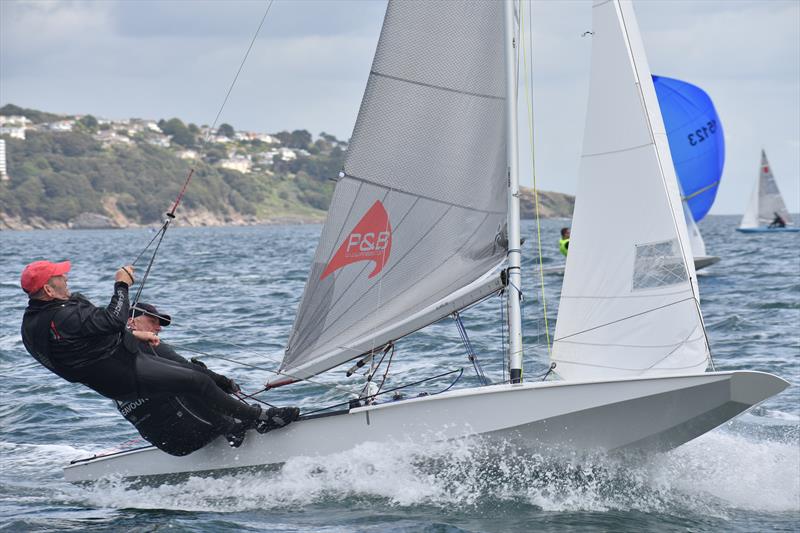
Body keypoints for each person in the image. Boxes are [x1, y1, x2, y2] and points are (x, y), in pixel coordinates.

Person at [20, 260, 299, 452]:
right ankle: (259, 419)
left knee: (191, 375)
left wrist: (133, 336)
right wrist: (121, 285)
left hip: (114, 366)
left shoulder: (34, 322)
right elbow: (114, 320)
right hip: (121, 374)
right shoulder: (63, 316)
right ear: (47, 289)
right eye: (60, 277)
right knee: (196, 380)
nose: (66, 278)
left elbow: (78, 348)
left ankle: (230, 425)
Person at [117, 302, 249, 455]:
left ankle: (230, 424)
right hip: (195, 432)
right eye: (152, 322)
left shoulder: (113, 354)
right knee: (188, 378)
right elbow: (186, 368)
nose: (159, 328)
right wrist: (224, 382)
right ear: (131, 322)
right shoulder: (146, 344)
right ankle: (232, 428)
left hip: (168, 446)